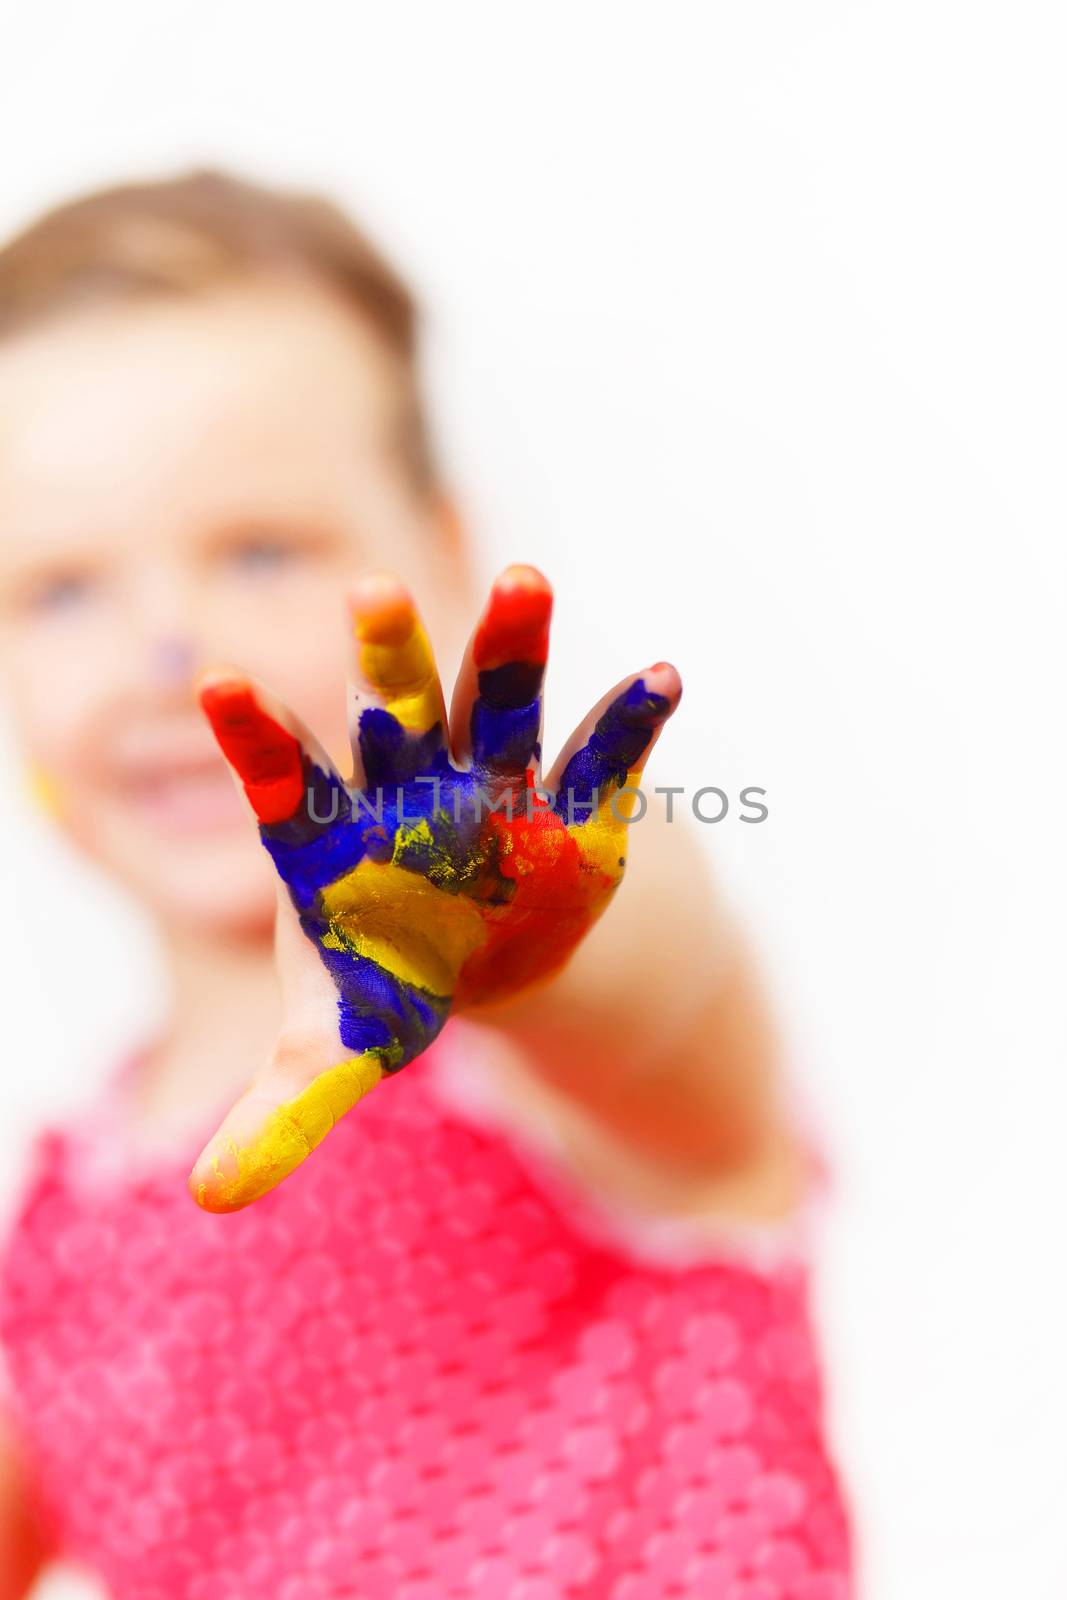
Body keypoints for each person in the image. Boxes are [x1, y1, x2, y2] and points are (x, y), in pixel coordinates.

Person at [0, 169, 851, 1599]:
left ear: (443, 567)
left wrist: (519, 942)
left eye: (263, 548)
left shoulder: (544, 1061)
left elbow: (668, 994)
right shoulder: (53, 1228)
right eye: (60, 591)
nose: (167, 649)